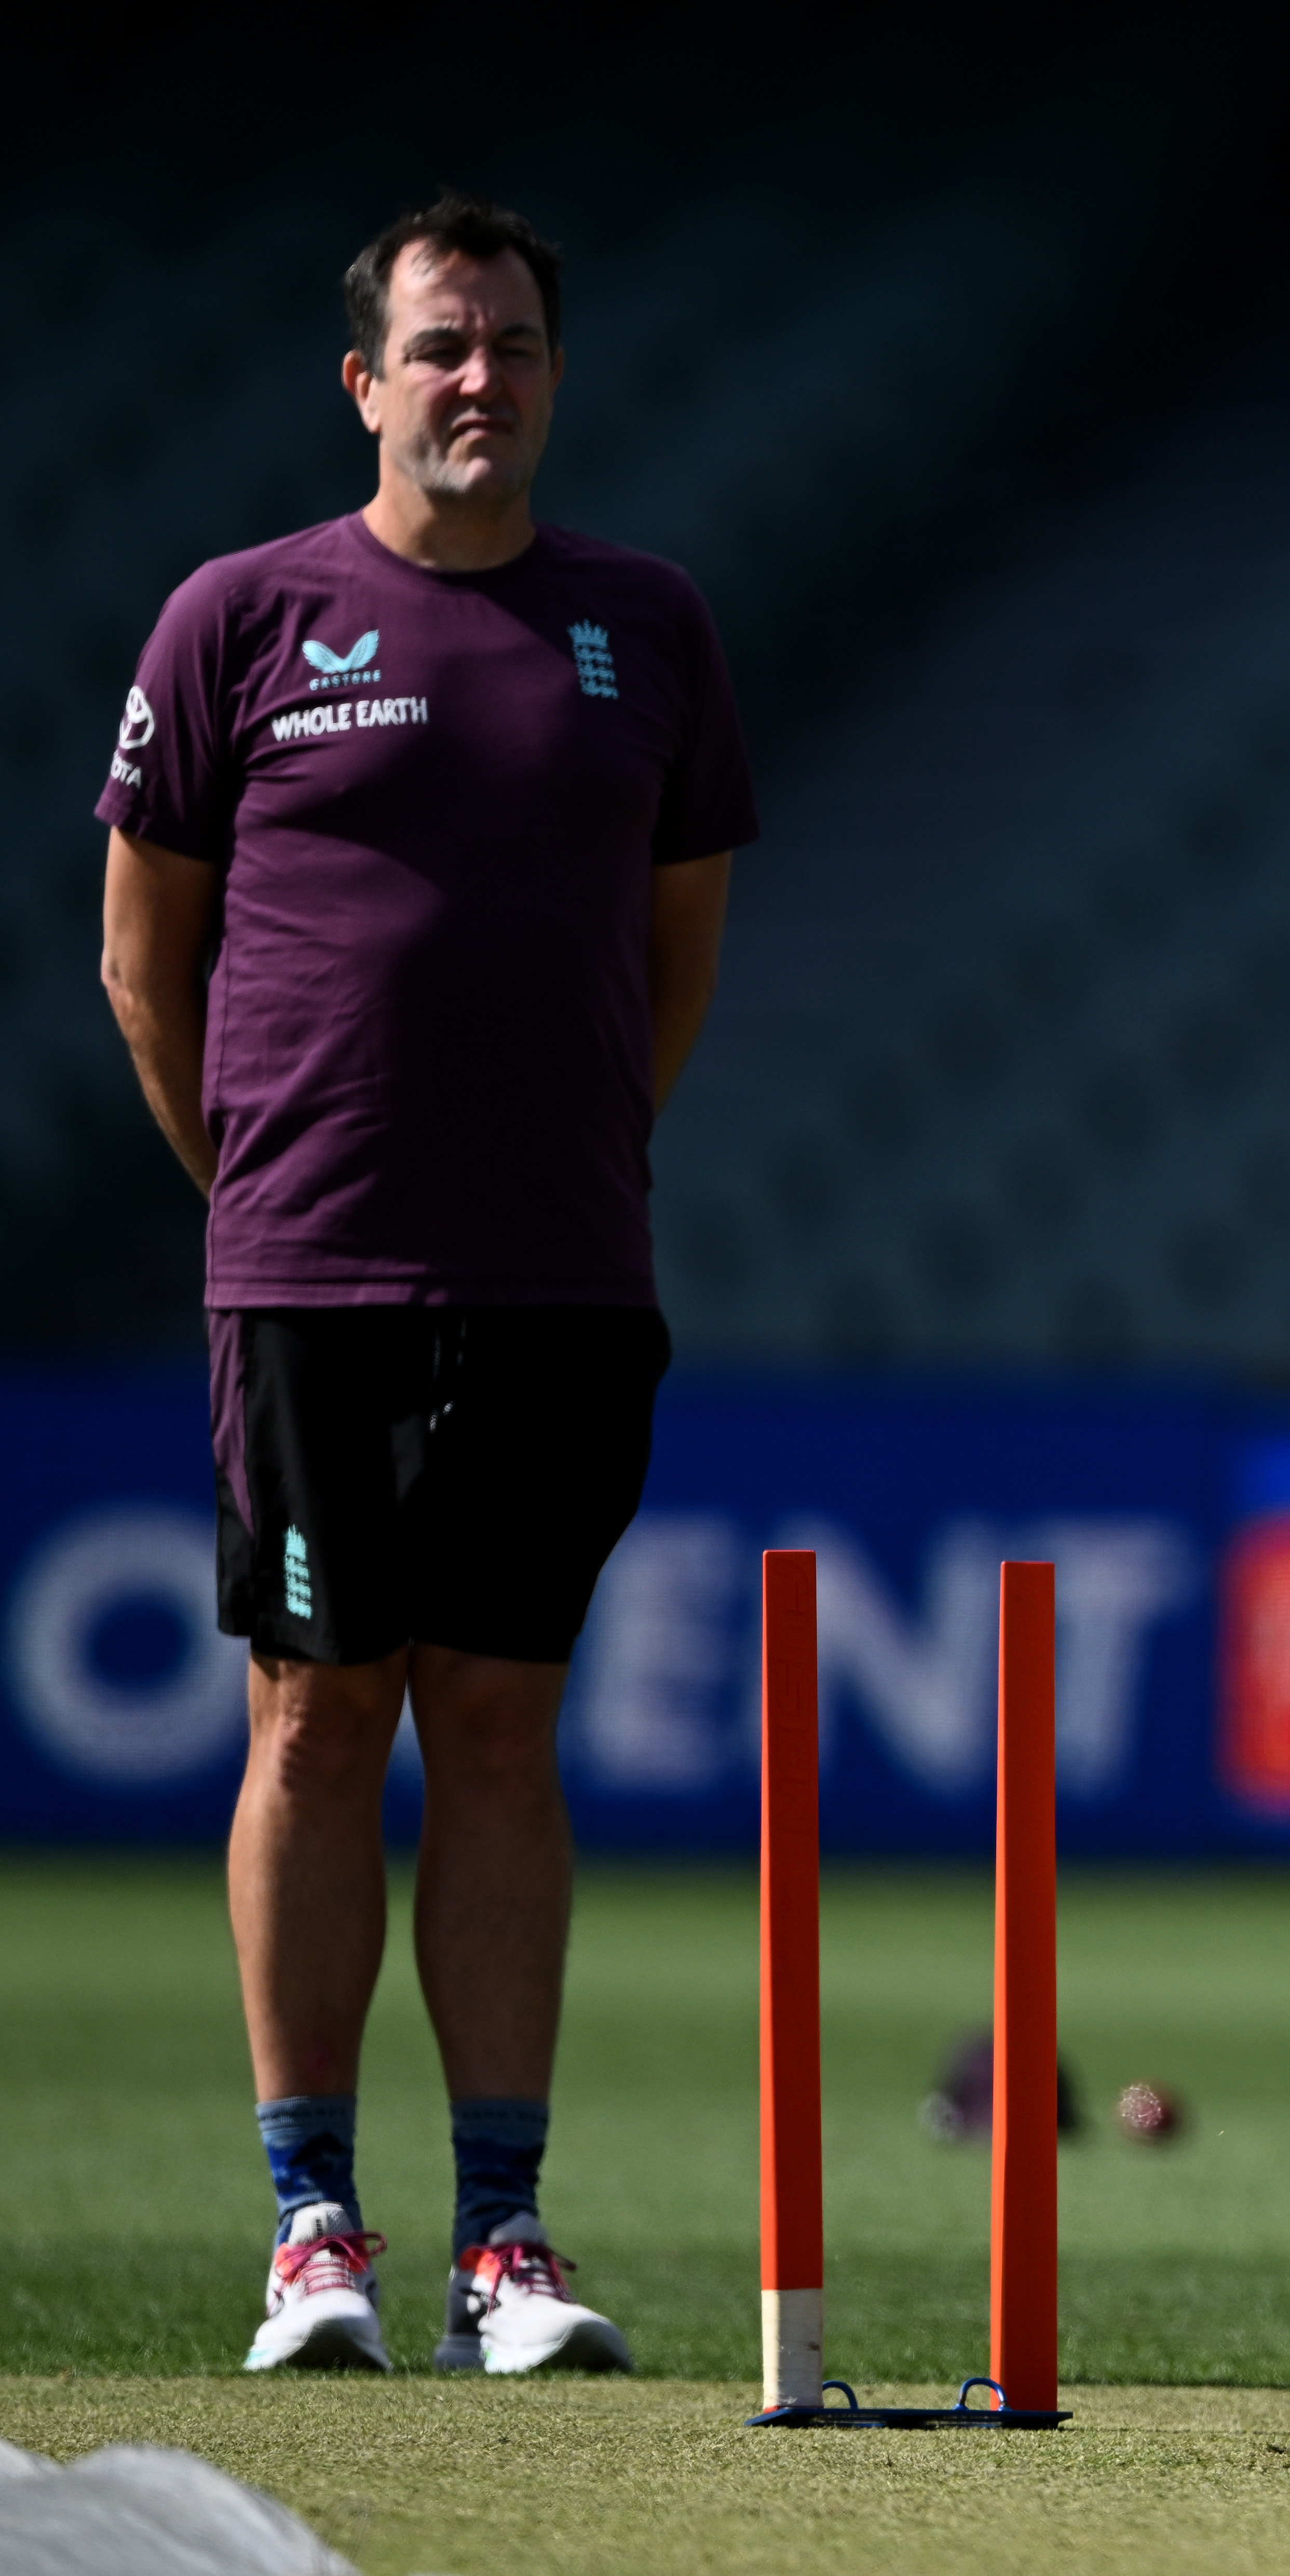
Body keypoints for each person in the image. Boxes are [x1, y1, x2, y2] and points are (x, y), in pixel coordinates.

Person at [94, 193, 754, 2376]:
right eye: (444, 346)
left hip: (560, 1273)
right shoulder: (239, 615)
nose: (485, 381)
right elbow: (140, 956)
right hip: (310, 1276)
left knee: (497, 1724)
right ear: (366, 380)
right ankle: (311, 2221)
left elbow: (675, 965)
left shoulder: (641, 624)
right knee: (314, 1711)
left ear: (556, 378)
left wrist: (565, 1158)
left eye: (518, 347)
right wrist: (263, 1187)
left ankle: (500, 2236)